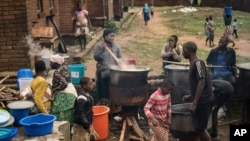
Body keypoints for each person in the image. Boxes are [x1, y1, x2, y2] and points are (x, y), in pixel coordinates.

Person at [182, 41, 214, 141]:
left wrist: (194, 103)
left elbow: (201, 82)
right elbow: (198, 84)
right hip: (202, 100)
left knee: (200, 129)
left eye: (184, 50)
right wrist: (191, 96)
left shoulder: (198, 62)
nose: (182, 52)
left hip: (204, 100)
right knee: (198, 128)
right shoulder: (193, 63)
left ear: (190, 51)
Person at [93, 28, 122, 108]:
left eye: (113, 36)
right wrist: (102, 49)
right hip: (103, 72)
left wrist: (120, 61)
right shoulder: (99, 46)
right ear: (105, 36)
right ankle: (104, 108)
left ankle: (115, 108)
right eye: (111, 36)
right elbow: (96, 57)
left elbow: (120, 57)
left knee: (113, 90)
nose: (112, 38)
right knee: (104, 90)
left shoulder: (116, 46)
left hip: (114, 72)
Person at [49, 54, 77, 127]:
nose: (50, 64)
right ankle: (70, 129)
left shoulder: (56, 72)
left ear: (55, 64)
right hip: (72, 91)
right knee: (70, 112)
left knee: (59, 112)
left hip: (65, 94)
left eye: (51, 62)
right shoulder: (65, 68)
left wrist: (53, 89)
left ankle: (62, 130)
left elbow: (64, 84)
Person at [72, 77, 99, 141]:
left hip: (87, 122)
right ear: (84, 86)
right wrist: (86, 125)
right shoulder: (81, 98)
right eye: (90, 84)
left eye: (92, 83)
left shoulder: (87, 95)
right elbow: (81, 114)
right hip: (81, 125)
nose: (92, 85)